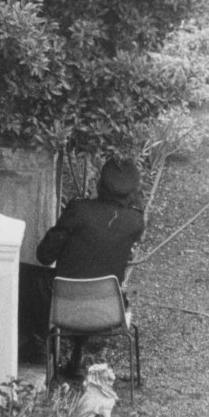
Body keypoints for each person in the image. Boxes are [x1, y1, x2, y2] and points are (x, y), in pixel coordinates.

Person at [36, 158, 146, 376]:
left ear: (99, 184)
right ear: (133, 191)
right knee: (96, 273)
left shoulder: (78, 210)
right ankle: (79, 353)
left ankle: (36, 350)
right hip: (108, 311)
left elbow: (44, 255)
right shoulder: (135, 222)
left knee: (35, 277)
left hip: (65, 309)